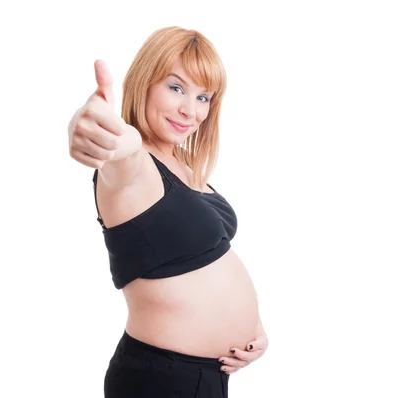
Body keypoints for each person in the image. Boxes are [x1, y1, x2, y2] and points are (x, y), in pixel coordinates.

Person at [67, 26, 268, 398]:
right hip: (160, 380)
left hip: (206, 377)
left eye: (203, 97)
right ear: (145, 81)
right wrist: (96, 127)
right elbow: (120, 150)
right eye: (176, 88)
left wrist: (253, 331)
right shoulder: (132, 165)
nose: (190, 111)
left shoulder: (183, 165)